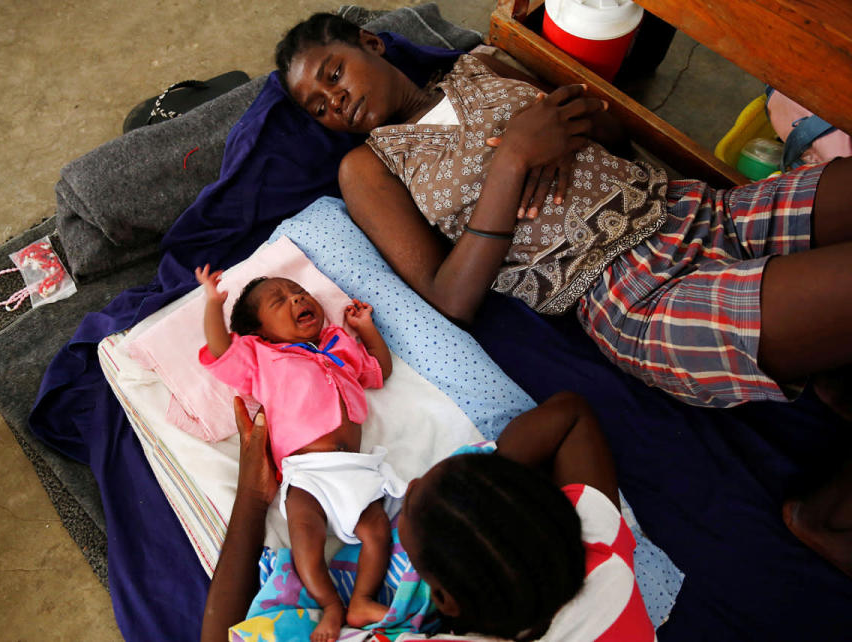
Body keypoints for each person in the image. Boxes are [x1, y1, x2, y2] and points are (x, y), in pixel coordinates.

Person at [274, 13, 852, 575]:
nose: (335, 102)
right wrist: (513, 160)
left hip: (694, 209)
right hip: (635, 294)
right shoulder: (370, 166)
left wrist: (568, 125)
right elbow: (449, 301)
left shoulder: (485, 63)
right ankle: (830, 512)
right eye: (318, 107)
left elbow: (615, 138)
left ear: (370, 43)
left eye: (333, 74)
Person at [201, 392, 655, 641]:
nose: (410, 485)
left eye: (411, 504)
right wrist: (480, 493)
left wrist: (252, 495)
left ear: (444, 602)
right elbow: (570, 415)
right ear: (565, 515)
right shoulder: (606, 557)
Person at [194, 265, 403, 641]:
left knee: (376, 531)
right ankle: (330, 605)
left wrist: (366, 328)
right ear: (259, 332)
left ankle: (361, 600)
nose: (297, 298)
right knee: (307, 541)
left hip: (354, 466)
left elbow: (379, 369)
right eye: (280, 300)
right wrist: (212, 303)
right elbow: (219, 348)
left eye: (299, 292)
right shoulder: (260, 357)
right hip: (305, 470)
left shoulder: (338, 343)